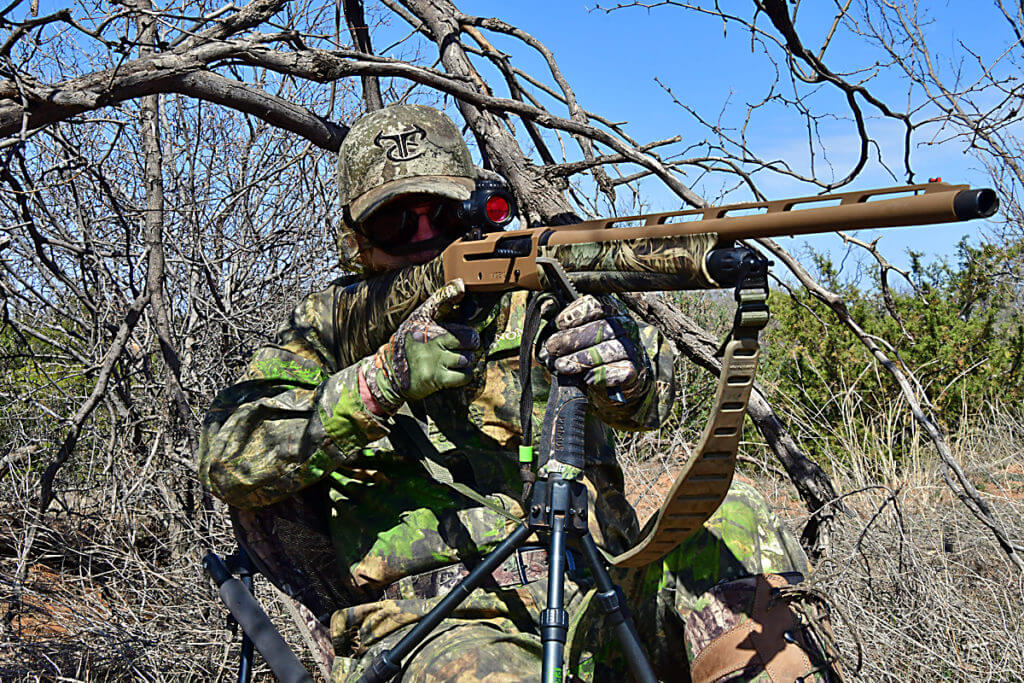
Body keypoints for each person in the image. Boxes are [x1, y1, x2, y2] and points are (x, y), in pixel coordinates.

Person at [199, 104, 839, 682]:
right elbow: (230, 458)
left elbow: (659, 397)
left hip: (599, 596)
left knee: (736, 515)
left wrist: (628, 370)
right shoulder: (325, 330)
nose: (425, 238)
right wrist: (379, 381)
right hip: (433, 627)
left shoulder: (539, 293)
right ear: (357, 239)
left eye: (442, 214)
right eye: (397, 220)